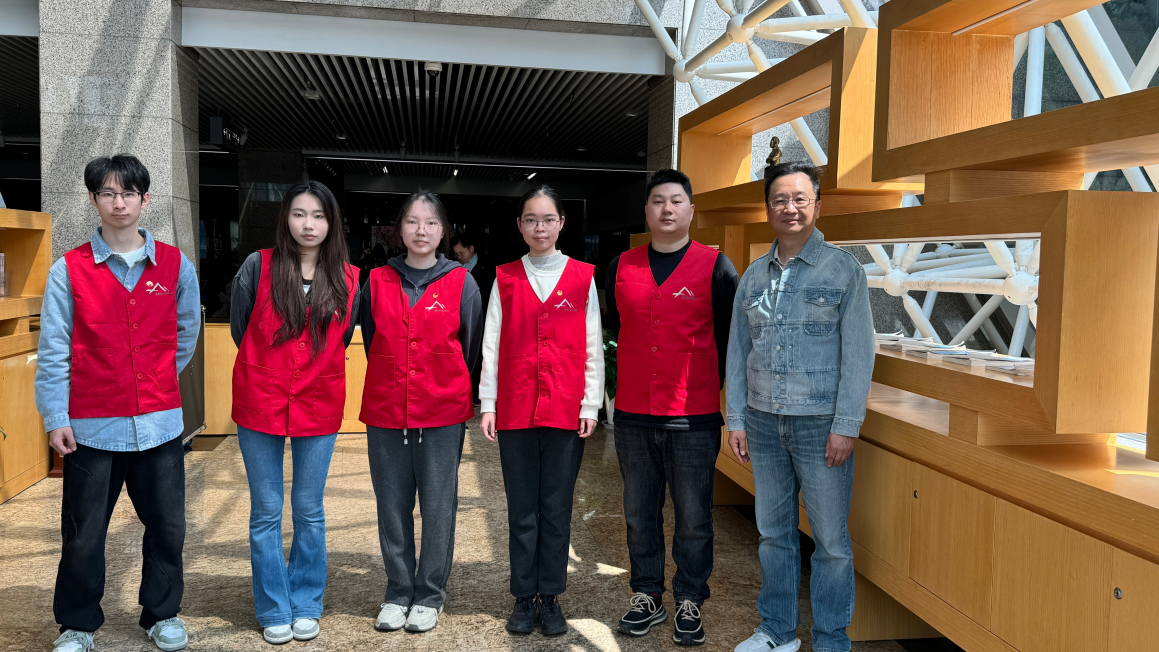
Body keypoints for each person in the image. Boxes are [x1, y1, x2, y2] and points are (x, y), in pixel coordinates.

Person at [36, 154, 201, 652]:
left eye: (128, 193)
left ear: (145, 199)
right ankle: (78, 624)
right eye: (108, 193)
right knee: (83, 533)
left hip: (159, 424)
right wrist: (56, 416)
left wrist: (152, 375)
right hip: (91, 427)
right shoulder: (68, 270)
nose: (119, 202)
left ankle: (162, 614)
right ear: (93, 199)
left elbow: (185, 333)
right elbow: (54, 347)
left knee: (168, 526)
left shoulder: (175, 265)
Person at [726, 163, 874, 652]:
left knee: (830, 542)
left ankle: (831, 640)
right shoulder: (753, 276)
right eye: (779, 200)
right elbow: (737, 353)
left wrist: (846, 424)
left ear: (817, 205)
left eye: (800, 199)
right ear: (768, 207)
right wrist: (737, 419)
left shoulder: (844, 270)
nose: (789, 208)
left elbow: (859, 355)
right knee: (773, 535)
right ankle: (777, 632)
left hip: (820, 425)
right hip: (763, 422)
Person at [604, 169, 738, 646]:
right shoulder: (620, 266)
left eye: (676, 201)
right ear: (646, 211)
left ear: (690, 210)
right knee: (639, 511)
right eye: (658, 200)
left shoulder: (717, 267)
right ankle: (647, 594)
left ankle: (689, 598)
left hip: (692, 416)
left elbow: (731, 339)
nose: (667, 209)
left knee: (694, 515)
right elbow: (613, 326)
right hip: (634, 414)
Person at [229, 181, 360, 645]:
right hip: (260, 398)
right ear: (285, 217)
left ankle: (305, 601)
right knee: (266, 510)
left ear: (332, 223)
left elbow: (342, 336)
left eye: (319, 216)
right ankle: (273, 607)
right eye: (300, 214)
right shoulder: (258, 266)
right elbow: (240, 328)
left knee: (309, 508)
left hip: (318, 401)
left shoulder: (349, 278)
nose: (309, 224)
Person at [479, 186, 604, 637]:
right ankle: (522, 595)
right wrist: (488, 402)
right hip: (514, 408)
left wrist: (591, 403)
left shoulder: (582, 277)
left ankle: (550, 595)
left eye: (548, 219)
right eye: (531, 219)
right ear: (520, 225)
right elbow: (491, 343)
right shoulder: (506, 277)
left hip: (566, 408)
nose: (540, 228)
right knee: (521, 509)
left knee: (555, 507)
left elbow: (593, 345)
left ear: (561, 223)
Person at [359, 191, 483, 634]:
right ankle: (397, 592)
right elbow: (373, 341)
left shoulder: (462, 283)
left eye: (430, 223)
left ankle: (429, 594)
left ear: (443, 231)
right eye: (412, 222)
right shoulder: (376, 281)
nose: (421, 230)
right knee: (391, 506)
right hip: (387, 410)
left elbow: (469, 349)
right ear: (400, 229)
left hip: (442, 412)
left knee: (438, 506)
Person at [452, 232, 493, 406]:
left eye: (462, 253)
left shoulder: (487, 269)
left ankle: (477, 392)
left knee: (479, 354)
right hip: (459, 318)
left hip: (481, 317)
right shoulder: (453, 268)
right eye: (456, 254)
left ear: (471, 249)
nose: (459, 257)